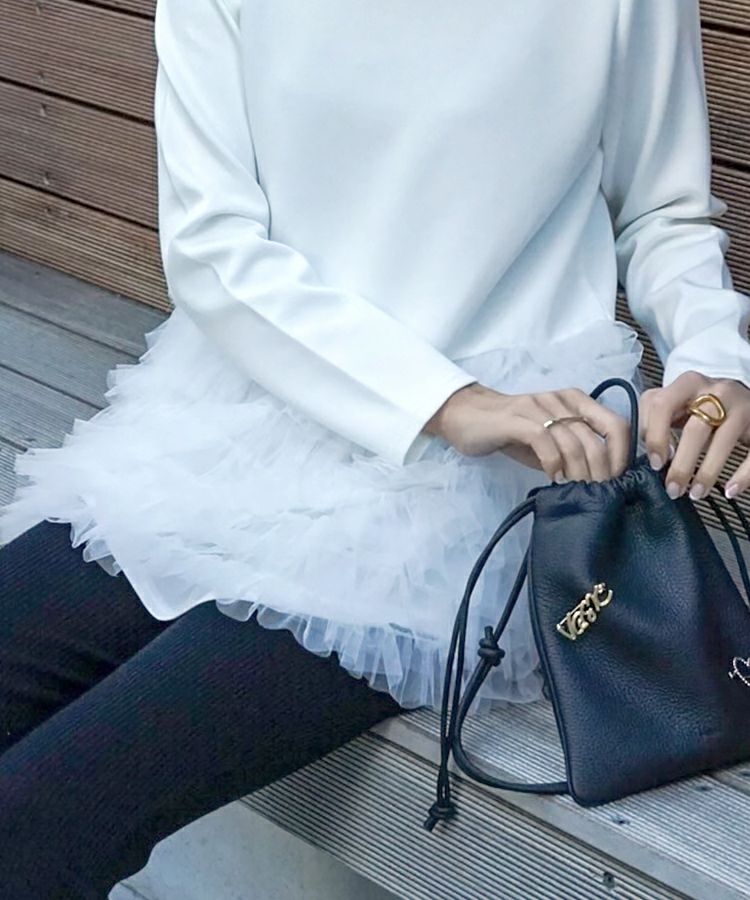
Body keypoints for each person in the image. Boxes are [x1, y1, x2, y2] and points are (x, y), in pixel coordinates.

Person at [2, 0, 750, 895]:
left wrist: (715, 354)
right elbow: (212, 244)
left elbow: (664, 211)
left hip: (480, 490)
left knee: (40, 820)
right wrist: (443, 400)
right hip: (241, 430)